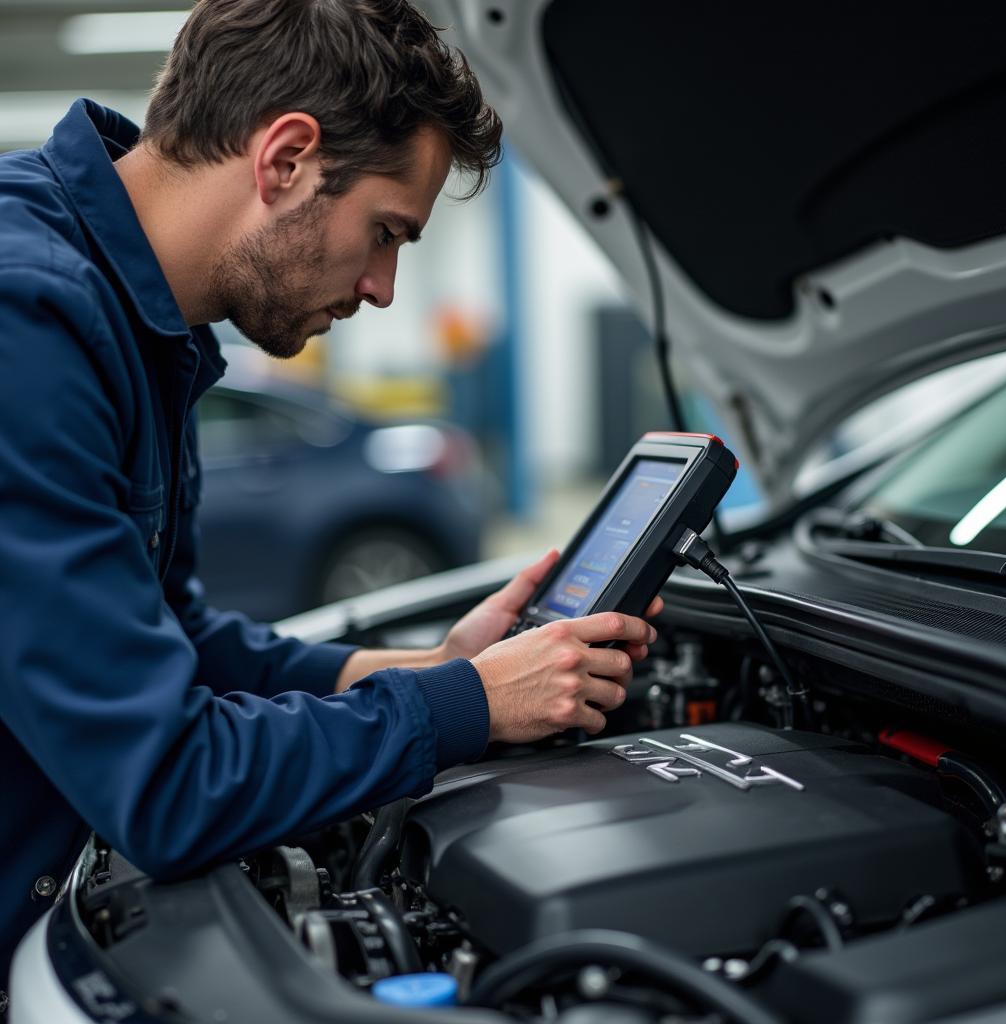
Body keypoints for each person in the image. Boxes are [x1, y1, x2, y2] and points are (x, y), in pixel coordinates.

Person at [0, 0, 661, 989]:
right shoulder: (29, 325)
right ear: (287, 160)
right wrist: (460, 708)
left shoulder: (145, 324)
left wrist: (435, 664)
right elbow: (168, 782)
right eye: (386, 232)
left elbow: (174, 644)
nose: (386, 286)